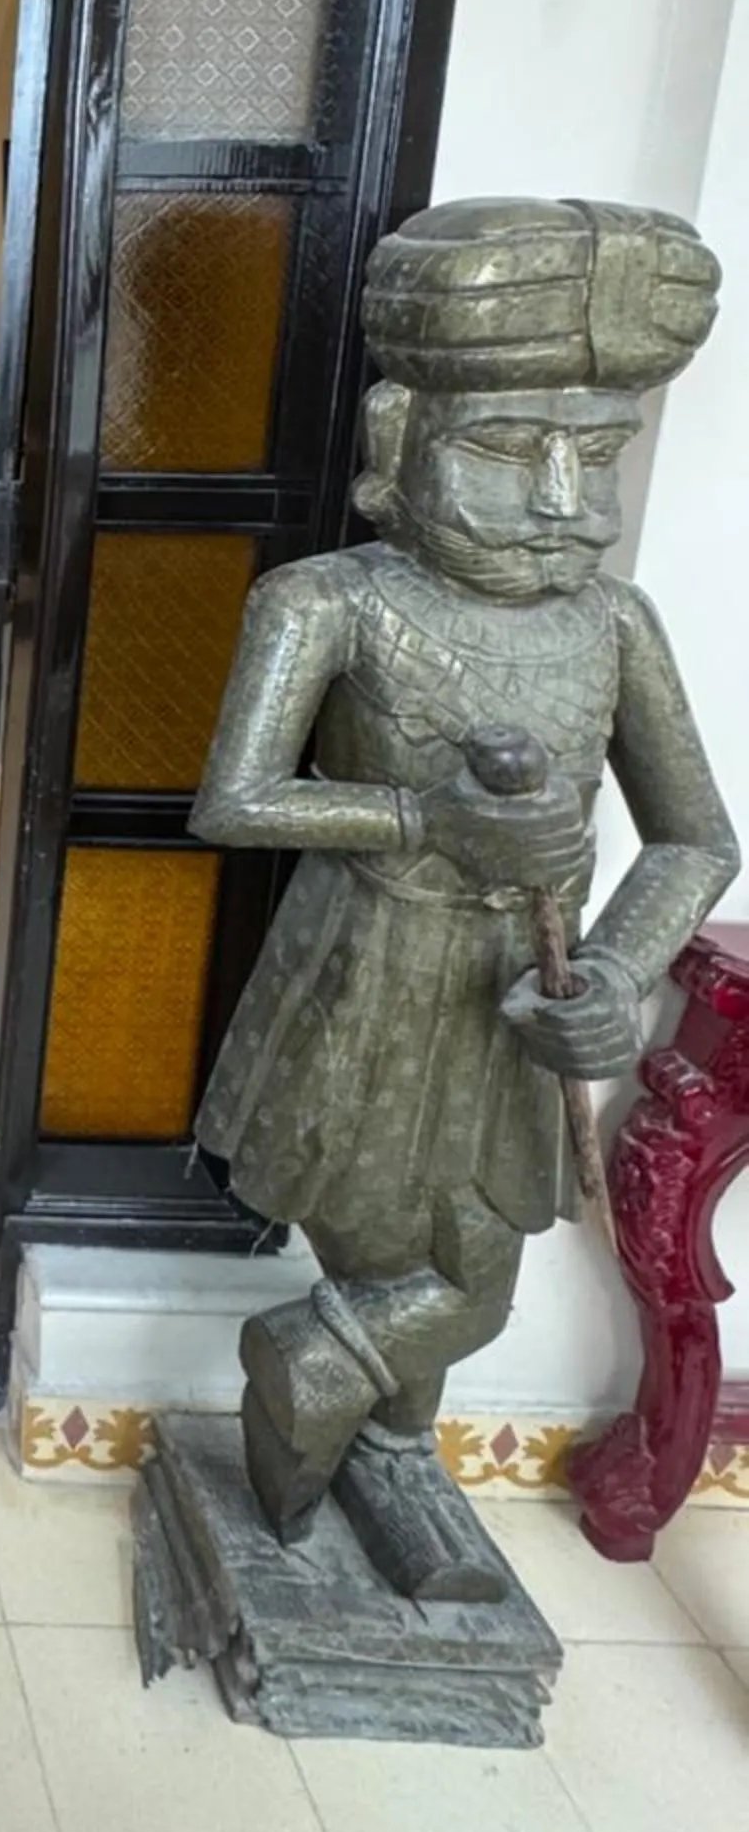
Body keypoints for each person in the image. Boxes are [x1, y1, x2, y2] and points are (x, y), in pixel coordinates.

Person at [192, 197, 737, 1595]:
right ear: (398, 445)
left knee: (477, 1245)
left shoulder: (611, 625)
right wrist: (419, 818)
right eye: (505, 450)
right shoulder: (330, 601)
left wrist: (613, 972)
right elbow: (234, 800)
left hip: (517, 998)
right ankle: (336, 1393)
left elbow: (693, 840)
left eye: (595, 455)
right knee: (407, 1250)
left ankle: (371, 1430)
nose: (560, 501)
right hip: (364, 973)